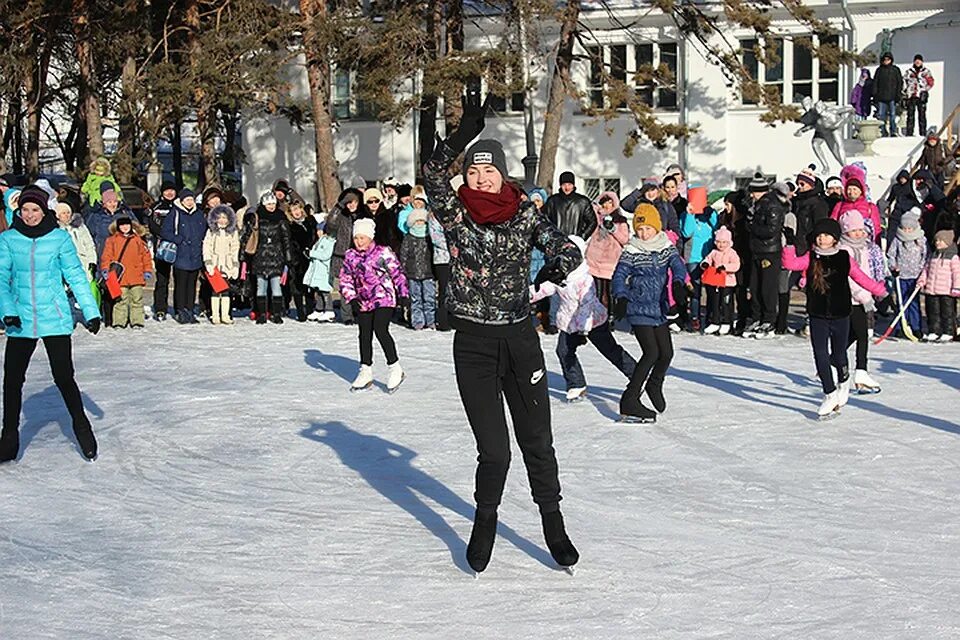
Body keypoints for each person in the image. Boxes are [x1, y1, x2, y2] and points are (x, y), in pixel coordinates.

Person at [422, 96, 582, 574]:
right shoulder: (455, 215)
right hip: (472, 344)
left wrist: (560, 261)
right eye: (474, 172)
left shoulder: (524, 214)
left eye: (489, 172)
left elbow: (562, 247)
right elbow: (432, 172)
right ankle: (485, 520)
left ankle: (552, 523)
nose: (481, 178)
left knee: (537, 439)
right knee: (494, 449)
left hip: (519, 340)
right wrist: (459, 136)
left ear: (504, 174)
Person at [0, 186, 102, 462]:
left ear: (45, 210)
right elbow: (1, 277)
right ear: (18, 211)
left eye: (35, 210)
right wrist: (7, 311)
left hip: (54, 317)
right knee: (12, 380)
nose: (30, 215)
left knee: (64, 377)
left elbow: (75, 275)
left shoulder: (58, 238)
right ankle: (8, 437)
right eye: (25, 210)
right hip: (20, 318)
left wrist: (91, 311)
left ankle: (82, 427)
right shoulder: (8, 239)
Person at [781, 218, 886, 419]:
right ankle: (829, 394)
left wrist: (880, 292)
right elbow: (790, 263)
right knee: (820, 354)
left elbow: (861, 278)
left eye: (827, 236)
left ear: (835, 238)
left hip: (840, 314)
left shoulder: (844, 257)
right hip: (817, 314)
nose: (822, 239)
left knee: (839, 355)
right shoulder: (810, 257)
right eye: (819, 236)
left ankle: (843, 380)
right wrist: (790, 244)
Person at [531, 234, 636, 403]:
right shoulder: (560, 275)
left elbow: (586, 305)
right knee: (563, 351)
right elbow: (544, 289)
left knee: (610, 350)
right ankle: (576, 384)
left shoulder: (585, 279)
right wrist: (525, 295)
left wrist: (583, 330)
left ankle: (636, 374)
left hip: (593, 321)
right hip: (570, 323)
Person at [611, 204, 689, 422]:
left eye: (648, 228)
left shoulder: (666, 246)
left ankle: (654, 384)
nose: (644, 233)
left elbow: (678, 266)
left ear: (656, 227)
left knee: (666, 353)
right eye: (640, 229)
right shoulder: (632, 250)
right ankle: (630, 398)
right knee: (651, 353)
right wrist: (621, 296)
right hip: (637, 307)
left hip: (659, 308)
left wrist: (679, 283)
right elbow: (619, 275)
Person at [339, 217, 408, 390]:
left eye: (362, 237)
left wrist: (404, 294)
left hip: (383, 296)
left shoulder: (382, 252)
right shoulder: (350, 256)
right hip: (363, 300)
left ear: (370, 237)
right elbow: (345, 279)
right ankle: (365, 370)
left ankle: (394, 367)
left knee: (380, 328)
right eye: (356, 238)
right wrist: (352, 298)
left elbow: (397, 273)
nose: (359, 241)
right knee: (364, 333)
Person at [838, 211, 887, 393]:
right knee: (860, 334)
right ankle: (860, 370)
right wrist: (864, 296)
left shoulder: (865, 247)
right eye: (853, 230)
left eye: (860, 229)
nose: (858, 233)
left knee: (858, 334)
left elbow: (866, 273)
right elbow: (850, 278)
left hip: (862, 297)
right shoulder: (845, 249)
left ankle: (841, 363)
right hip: (849, 298)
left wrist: (874, 289)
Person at [743, 181, 788, 338]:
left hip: (769, 251)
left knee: (767, 287)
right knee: (754, 286)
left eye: (753, 192)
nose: (751, 195)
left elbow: (772, 229)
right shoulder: (756, 205)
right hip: (757, 250)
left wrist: (752, 227)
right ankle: (757, 317)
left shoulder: (772, 205)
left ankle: (769, 319)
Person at [242, 192, 292, 324]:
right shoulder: (257, 218)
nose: (271, 206)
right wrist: (244, 256)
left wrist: (288, 256)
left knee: (276, 286)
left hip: (276, 257)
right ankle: (262, 314)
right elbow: (247, 236)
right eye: (268, 204)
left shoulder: (281, 218)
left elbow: (286, 239)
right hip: (260, 256)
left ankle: (276, 313)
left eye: (273, 203)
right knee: (261, 286)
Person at [160, 189, 207, 324]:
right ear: (181, 201)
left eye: (191, 199)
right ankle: (180, 311)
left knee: (192, 285)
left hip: (195, 254)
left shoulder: (198, 214)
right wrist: (178, 239)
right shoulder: (175, 213)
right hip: (181, 254)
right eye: (187, 200)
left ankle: (190, 310)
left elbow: (203, 230)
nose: (189, 202)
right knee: (181, 285)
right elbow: (165, 232)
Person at [99, 215, 153, 328]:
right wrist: (105, 268)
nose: (125, 227)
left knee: (137, 299)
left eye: (127, 225)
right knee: (120, 300)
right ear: (118, 226)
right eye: (122, 225)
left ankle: (137, 320)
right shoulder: (112, 240)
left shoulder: (138, 240)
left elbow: (145, 256)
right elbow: (106, 256)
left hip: (136, 274)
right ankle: (119, 321)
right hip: (119, 276)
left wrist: (147, 269)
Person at [585, 191, 631, 315]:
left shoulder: (620, 220)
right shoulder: (596, 218)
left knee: (610, 291)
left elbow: (625, 240)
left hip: (611, 261)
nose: (607, 206)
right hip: (594, 259)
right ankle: (598, 315)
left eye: (610, 202)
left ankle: (611, 315)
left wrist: (613, 229)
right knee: (597, 291)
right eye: (604, 202)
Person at [679, 186, 717, 331]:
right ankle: (695, 317)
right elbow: (687, 232)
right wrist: (689, 215)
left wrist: (711, 214)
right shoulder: (685, 216)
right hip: (693, 258)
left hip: (709, 258)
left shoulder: (709, 215)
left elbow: (717, 228)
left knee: (711, 289)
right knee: (695, 290)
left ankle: (710, 317)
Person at [886, 208, 927, 337]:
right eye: (905, 228)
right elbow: (891, 254)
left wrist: (921, 270)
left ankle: (916, 326)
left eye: (910, 229)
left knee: (913, 302)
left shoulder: (921, 240)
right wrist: (893, 267)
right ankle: (900, 325)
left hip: (915, 276)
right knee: (901, 301)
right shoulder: (898, 239)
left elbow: (925, 256)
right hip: (901, 276)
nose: (907, 231)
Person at [325, 188, 364, 324]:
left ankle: (360, 311)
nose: (351, 205)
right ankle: (347, 316)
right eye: (348, 202)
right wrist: (339, 206)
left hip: (360, 256)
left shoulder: (363, 216)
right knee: (345, 288)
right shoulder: (341, 216)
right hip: (342, 255)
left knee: (360, 286)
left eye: (354, 202)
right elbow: (330, 223)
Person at [917, 230, 960, 341]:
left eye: (940, 241)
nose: (937, 243)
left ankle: (948, 331)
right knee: (932, 312)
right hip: (932, 289)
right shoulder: (933, 255)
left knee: (947, 313)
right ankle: (934, 330)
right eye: (936, 240)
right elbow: (926, 270)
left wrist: (956, 287)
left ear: (947, 242)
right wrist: (922, 281)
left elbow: (957, 274)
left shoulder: (953, 257)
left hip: (946, 291)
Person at [399, 202, 436, 330]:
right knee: (415, 299)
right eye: (417, 221)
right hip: (412, 272)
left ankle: (431, 320)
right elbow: (403, 254)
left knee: (429, 298)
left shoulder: (430, 237)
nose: (420, 224)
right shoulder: (408, 238)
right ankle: (417, 321)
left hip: (428, 272)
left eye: (422, 221)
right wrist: (402, 270)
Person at [202, 204, 241, 325]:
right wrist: (208, 262)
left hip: (228, 265)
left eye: (225, 218)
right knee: (215, 290)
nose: (222, 220)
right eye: (220, 217)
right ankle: (215, 314)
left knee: (226, 291)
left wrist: (235, 266)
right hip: (215, 264)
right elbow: (207, 247)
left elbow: (235, 248)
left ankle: (225, 314)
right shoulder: (212, 231)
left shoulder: (233, 232)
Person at [701, 225, 741, 335]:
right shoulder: (714, 252)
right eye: (719, 242)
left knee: (726, 303)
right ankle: (715, 321)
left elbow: (736, 265)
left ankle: (726, 322)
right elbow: (708, 259)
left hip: (728, 283)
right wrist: (705, 264)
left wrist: (725, 267)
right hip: (716, 282)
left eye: (724, 242)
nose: (721, 245)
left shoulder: (732, 253)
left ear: (729, 243)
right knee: (715, 302)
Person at [147, 181, 178, 320]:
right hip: (162, 247)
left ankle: (179, 307)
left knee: (179, 279)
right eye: (167, 191)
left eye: (172, 190)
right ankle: (160, 308)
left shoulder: (179, 206)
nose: (169, 193)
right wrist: (166, 236)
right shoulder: (156, 207)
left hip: (178, 247)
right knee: (162, 279)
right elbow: (152, 225)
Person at [286, 199, 317, 322]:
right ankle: (300, 311)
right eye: (293, 210)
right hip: (297, 259)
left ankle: (310, 309)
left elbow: (315, 236)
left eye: (298, 209)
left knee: (309, 286)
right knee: (297, 286)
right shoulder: (291, 226)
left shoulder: (310, 222)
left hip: (310, 257)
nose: (297, 212)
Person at [543, 171, 598, 240]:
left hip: (576, 242)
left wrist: (582, 237)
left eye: (569, 184)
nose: (567, 187)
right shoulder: (552, 201)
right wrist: (552, 236)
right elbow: (545, 220)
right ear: (560, 185)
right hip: (556, 241)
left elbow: (592, 222)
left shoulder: (583, 201)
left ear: (573, 185)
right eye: (564, 185)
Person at [303, 219, 336, 322]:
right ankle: (319, 309)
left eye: (320, 230)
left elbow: (325, 255)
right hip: (317, 271)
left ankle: (329, 310)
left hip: (324, 271)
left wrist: (312, 254)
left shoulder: (330, 241)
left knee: (325, 291)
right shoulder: (319, 241)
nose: (318, 232)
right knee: (319, 291)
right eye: (317, 230)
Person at [55, 202, 97, 281]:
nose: (67, 215)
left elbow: (89, 245)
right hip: (65, 264)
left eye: (68, 212)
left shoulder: (80, 227)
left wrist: (92, 261)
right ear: (58, 215)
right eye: (63, 213)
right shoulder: (56, 231)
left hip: (83, 261)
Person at [904, 54, 935, 137]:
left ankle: (923, 133)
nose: (918, 62)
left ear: (922, 62)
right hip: (911, 96)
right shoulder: (909, 71)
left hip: (921, 96)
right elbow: (904, 82)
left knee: (922, 115)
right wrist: (906, 92)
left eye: (919, 60)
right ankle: (909, 133)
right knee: (910, 115)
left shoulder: (926, 71)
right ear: (914, 61)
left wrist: (924, 90)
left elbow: (931, 82)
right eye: (916, 60)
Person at [873, 52, 902, 137]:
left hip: (892, 97)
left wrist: (898, 95)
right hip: (881, 97)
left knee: (893, 116)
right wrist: (875, 94)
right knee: (882, 116)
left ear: (891, 60)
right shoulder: (879, 70)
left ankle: (893, 131)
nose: (886, 61)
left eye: (888, 59)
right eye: (885, 59)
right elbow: (875, 83)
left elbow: (899, 82)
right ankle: (883, 131)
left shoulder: (895, 70)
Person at [886, 170, 919, 246]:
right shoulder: (896, 187)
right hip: (897, 211)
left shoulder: (911, 188)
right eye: (901, 178)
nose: (902, 180)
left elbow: (916, 199)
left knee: (905, 231)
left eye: (904, 178)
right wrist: (886, 206)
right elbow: (890, 198)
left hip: (907, 212)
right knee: (892, 230)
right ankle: (889, 245)